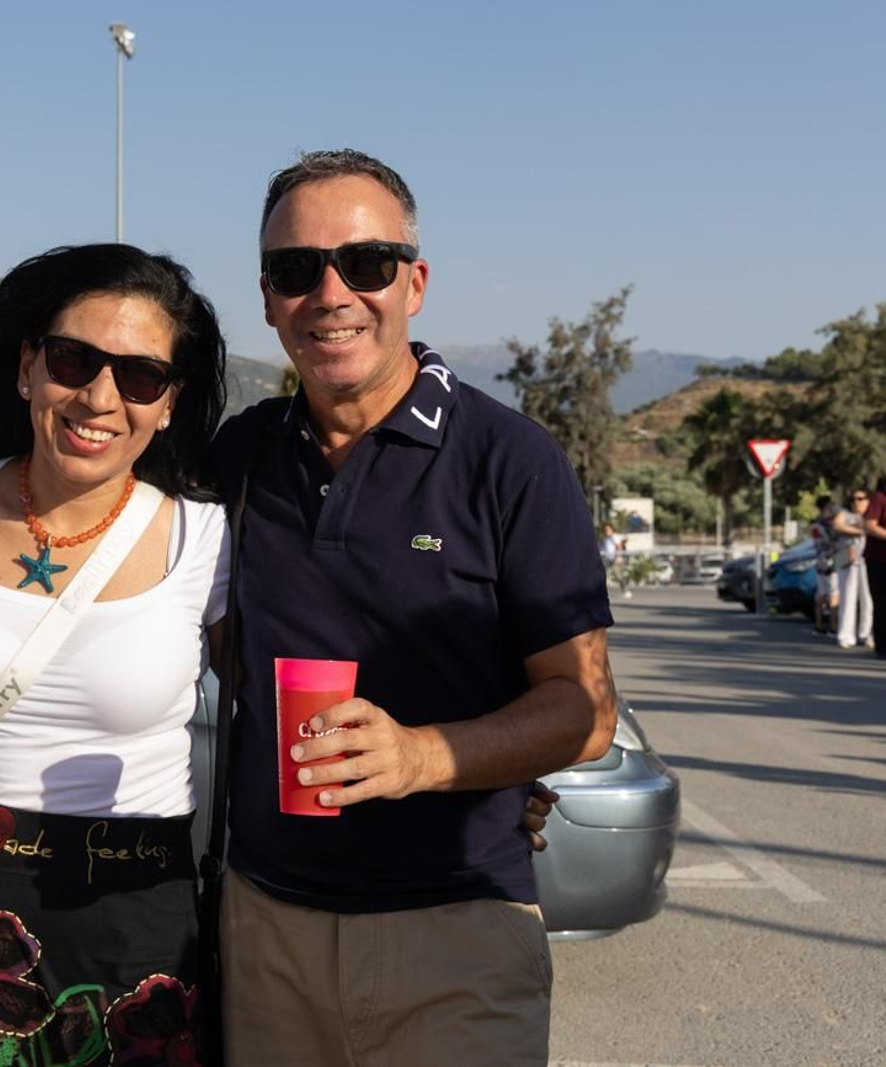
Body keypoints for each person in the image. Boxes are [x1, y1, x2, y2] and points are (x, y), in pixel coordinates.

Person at [209, 150, 618, 1065]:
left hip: (458, 930)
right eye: (295, 269)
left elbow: (586, 711)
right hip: (267, 928)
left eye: (365, 263)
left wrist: (422, 756)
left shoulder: (510, 461)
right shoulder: (240, 456)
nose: (331, 293)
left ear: (415, 283)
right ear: (268, 300)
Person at [0, 244, 231, 1065]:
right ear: (28, 367)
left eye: (140, 376)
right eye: (74, 360)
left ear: (168, 403)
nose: (100, 396)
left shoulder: (207, 540)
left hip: (138, 921)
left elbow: (283, 717)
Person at [832, 489, 875, 650]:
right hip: (846, 558)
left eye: (860, 498)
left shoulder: (871, 516)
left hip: (866, 560)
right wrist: (860, 531)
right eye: (853, 499)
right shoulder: (845, 514)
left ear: (868, 500)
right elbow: (837, 525)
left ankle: (866, 633)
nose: (856, 502)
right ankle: (845, 635)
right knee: (847, 598)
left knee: (868, 599)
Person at [810, 495, 841, 635]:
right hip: (832, 560)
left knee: (821, 593)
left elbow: (816, 542)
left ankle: (819, 625)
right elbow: (834, 540)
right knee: (834, 593)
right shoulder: (829, 523)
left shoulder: (815, 523)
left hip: (820, 560)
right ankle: (834, 627)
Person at [864, 477, 886, 659]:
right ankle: (882, 646)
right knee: (882, 603)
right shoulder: (879, 498)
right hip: (879, 560)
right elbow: (870, 526)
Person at [601, 522, 630, 599]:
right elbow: (603, 549)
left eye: (608, 530)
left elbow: (619, 546)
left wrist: (618, 557)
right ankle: (602, 592)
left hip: (616, 559)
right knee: (601, 574)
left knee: (618, 575)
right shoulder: (606, 539)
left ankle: (625, 591)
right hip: (608, 559)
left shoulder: (615, 537)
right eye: (605, 530)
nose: (607, 531)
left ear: (612, 530)